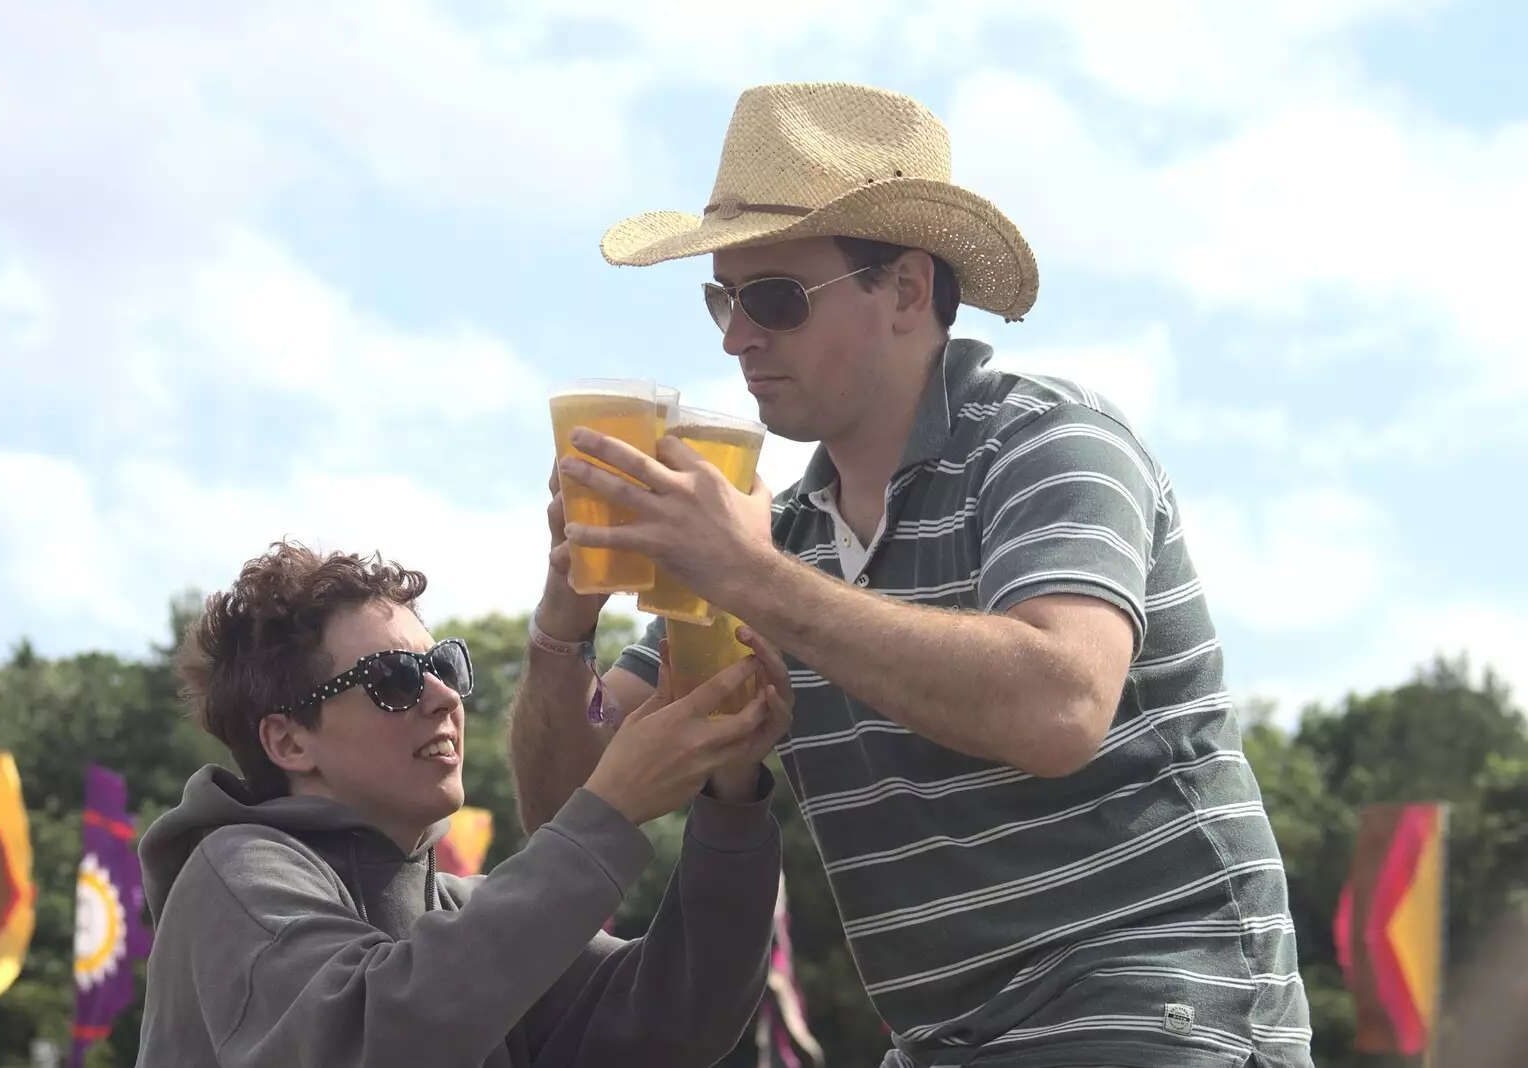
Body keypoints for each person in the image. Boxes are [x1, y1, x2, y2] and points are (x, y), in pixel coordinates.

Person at [510, 82, 1314, 1068]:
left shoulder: (1045, 439)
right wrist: (562, 627)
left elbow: (1058, 705)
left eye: (770, 299)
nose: (733, 337)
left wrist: (750, 577)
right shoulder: (771, 535)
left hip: (1156, 1007)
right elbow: (568, 812)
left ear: (903, 290)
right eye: (722, 297)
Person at [135, 539, 791, 1068]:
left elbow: (681, 1015)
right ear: (288, 740)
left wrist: (731, 791)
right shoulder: (232, 873)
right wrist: (607, 811)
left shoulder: (459, 915)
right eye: (392, 680)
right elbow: (372, 1042)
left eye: (443, 666)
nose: (445, 697)